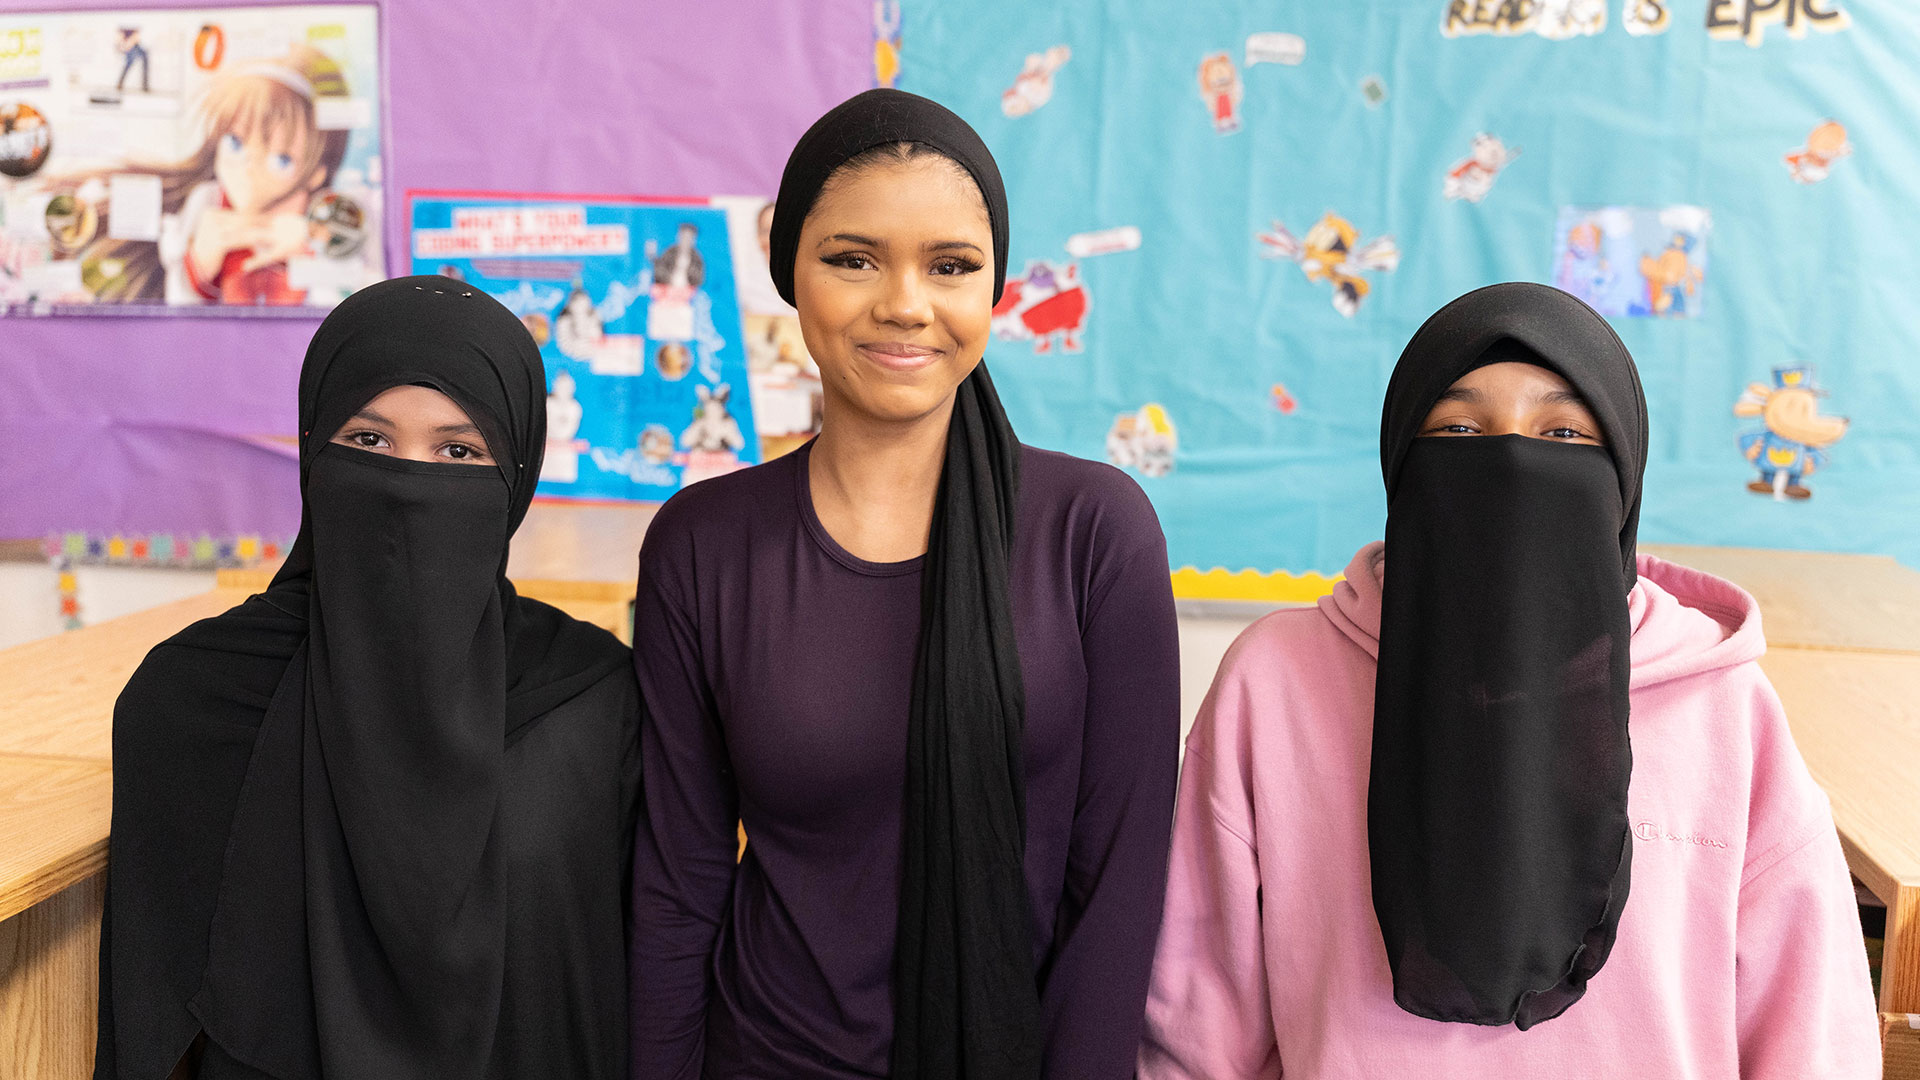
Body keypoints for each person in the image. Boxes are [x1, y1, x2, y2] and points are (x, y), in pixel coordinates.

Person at [1139, 282, 1880, 1080]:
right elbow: (1197, 1033)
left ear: (1623, 468)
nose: (1510, 462)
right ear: (1400, 459)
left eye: (1563, 432)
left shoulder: (1723, 706)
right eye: (1458, 429)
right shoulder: (1276, 683)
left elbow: (1815, 1039)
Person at [630, 89, 1181, 1079]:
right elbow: (680, 881)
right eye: (853, 259)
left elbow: (1120, 883)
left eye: (951, 266)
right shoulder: (701, 544)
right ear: (790, 274)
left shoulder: (1095, 532)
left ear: (995, 287)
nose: (905, 303)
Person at [95, 276, 641, 1080]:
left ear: (517, 477)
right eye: (368, 441)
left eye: (458, 451)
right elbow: (149, 1016)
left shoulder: (594, 699)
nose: (406, 482)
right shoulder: (193, 701)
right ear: (314, 449)